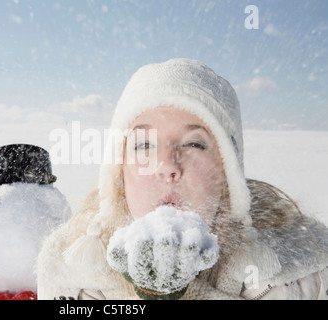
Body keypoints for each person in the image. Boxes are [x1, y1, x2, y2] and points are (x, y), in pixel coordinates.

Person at [36, 58, 328, 300]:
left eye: (194, 144)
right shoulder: (71, 276)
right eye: (144, 145)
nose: (167, 166)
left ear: (228, 174)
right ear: (118, 171)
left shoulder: (304, 275)